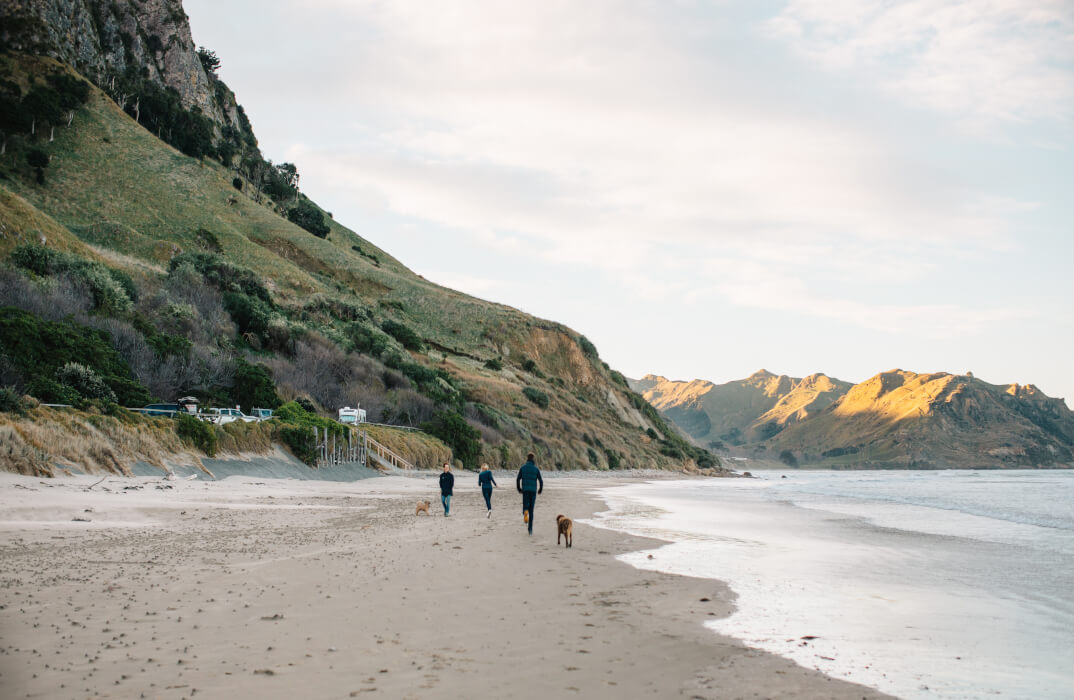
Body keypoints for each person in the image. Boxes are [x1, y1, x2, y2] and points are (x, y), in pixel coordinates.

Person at [516, 452, 543, 535]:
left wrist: (519, 489)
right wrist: (540, 490)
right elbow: (541, 481)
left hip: (525, 490)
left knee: (525, 506)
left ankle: (525, 511)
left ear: (527, 458)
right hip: (533, 491)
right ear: (533, 459)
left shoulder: (523, 468)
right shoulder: (536, 469)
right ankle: (530, 530)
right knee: (532, 510)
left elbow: (518, 479)